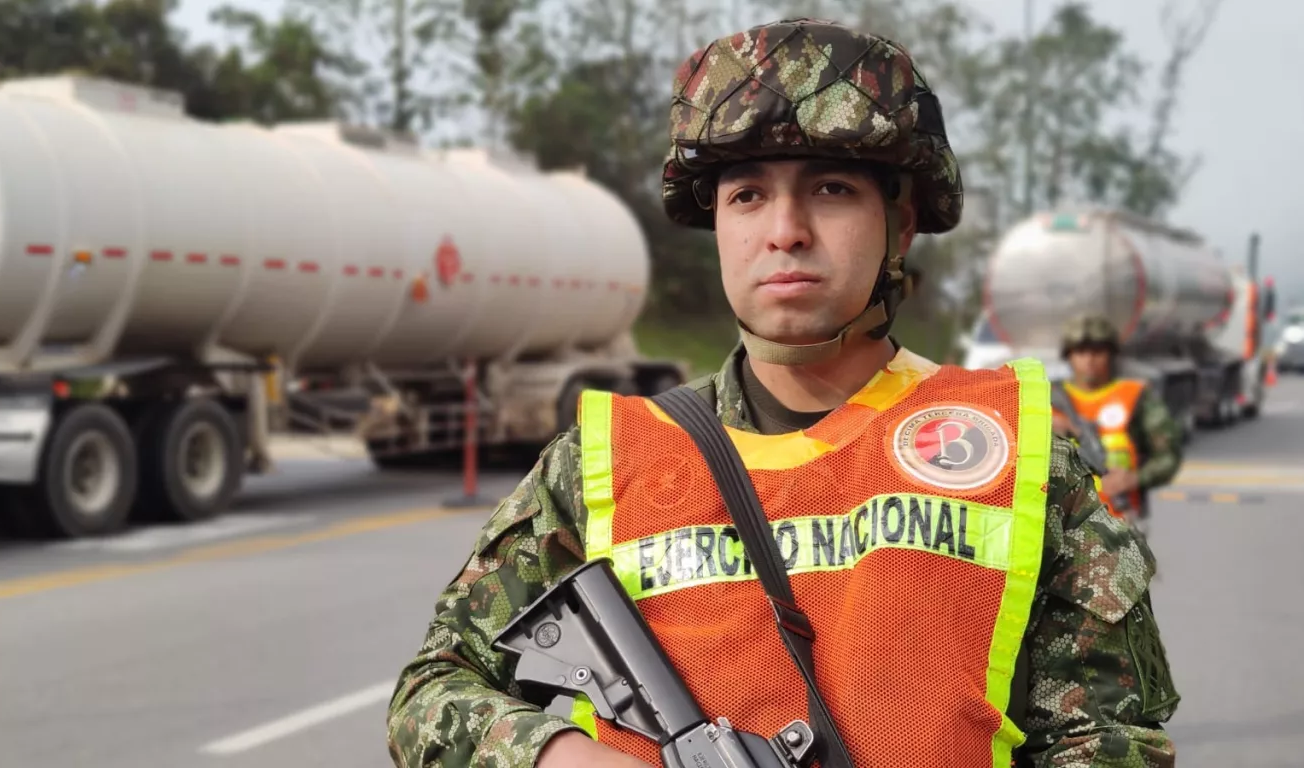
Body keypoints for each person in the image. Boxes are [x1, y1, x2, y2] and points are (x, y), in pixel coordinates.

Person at [386, 18, 1178, 768]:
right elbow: (432, 691)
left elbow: (1105, 740)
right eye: (748, 195)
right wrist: (565, 756)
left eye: (831, 190)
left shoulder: (1019, 452)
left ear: (899, 228)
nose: (786, 230)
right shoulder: (600, 463)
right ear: (720, 229)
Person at [1056, 314, 1184, 533]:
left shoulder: (1136, 397)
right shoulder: (1047, 400)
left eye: (1097, 352)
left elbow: (1168, 456)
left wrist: (1134, 478)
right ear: (1069, 356)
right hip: (1059, 528)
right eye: (1080, 352)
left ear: (1111, 355)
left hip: (1119, 526)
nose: (1089, 360)